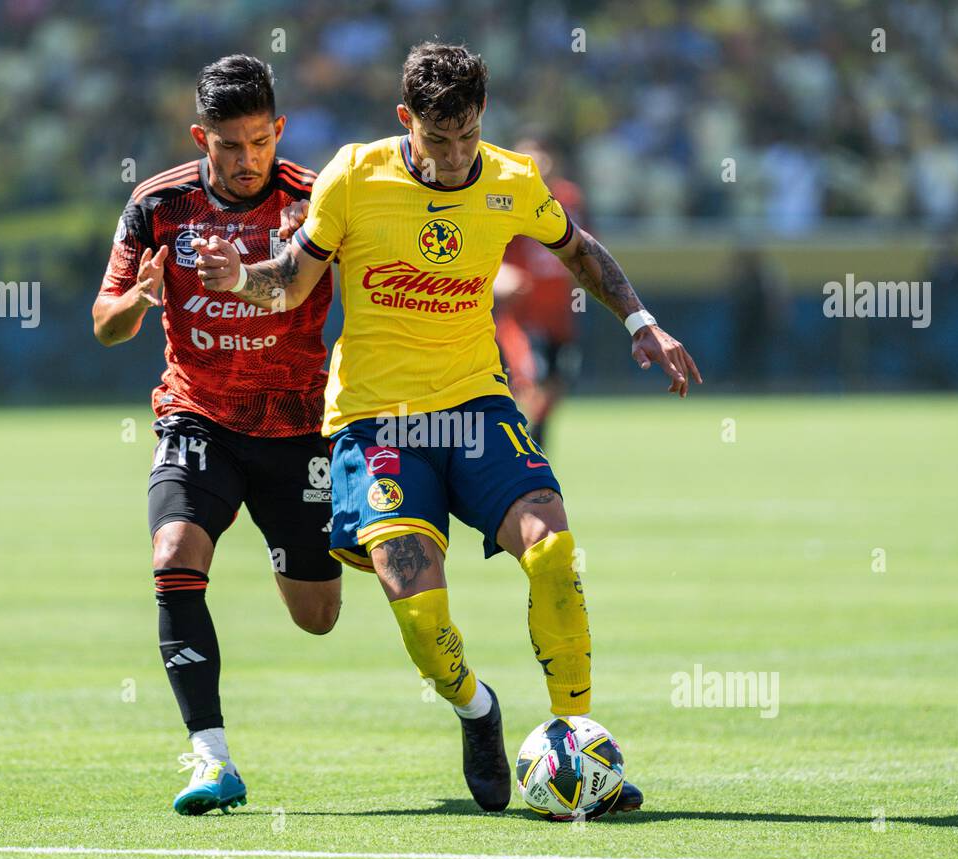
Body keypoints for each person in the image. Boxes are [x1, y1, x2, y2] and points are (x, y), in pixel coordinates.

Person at [195, 42, 701, 817]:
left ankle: (578, 743)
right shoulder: (355, 176)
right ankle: (476, 710)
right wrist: (239, 278)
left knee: (555, 550)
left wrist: (640, 320)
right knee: (421, 609)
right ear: (407, 122)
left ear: (482, 121)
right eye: (438, 141)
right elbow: (293, 282)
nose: (454, 156)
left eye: (467, 137)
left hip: (475, 404)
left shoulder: (510, 179)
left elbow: (578, 248)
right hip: (377, 421)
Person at [92, 55, 342, 815]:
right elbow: (105, 325)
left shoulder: (317, 200)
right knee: (173, 555)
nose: (246, 160)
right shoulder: (156, 206)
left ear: (279, 130)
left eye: (260, 141)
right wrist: (139, 296)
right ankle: (211, 757)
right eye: (229, 145)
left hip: (297, 427)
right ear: (201, 137)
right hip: (196, 414)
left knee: (318, 616)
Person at [493, 134, 587, 450]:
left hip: (561, 313)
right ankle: (517, 450)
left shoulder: (570, 199)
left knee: (557, 383)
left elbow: (586, 247)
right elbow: (485, 251)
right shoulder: (505, 199)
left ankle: (535, 444)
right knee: (530, 380)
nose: (539, 162)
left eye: (543, 154)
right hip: (522, 313)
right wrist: (500, 275)